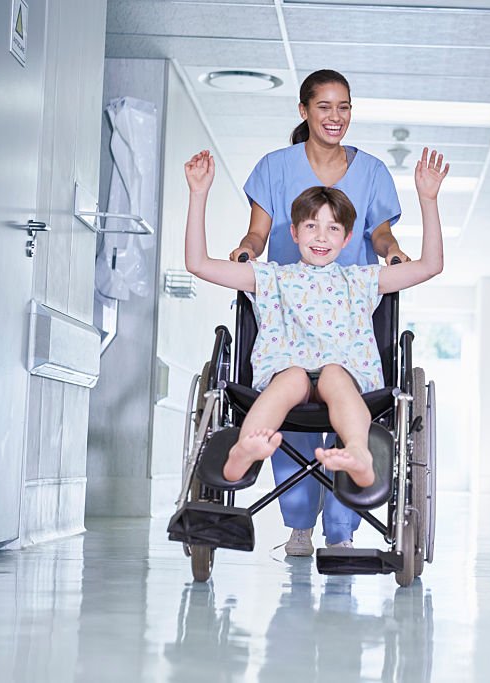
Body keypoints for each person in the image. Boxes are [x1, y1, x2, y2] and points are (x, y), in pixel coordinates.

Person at [184, 147, 448, 509]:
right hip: (286, 372)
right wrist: (198, 194)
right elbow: (198, 264)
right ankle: (243, 451)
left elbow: (430, 266)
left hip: (343, 377)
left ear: (348, 237)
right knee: (291, 378)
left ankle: (359, 454)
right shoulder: (271, 277)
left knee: (334, 376)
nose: (321, 237)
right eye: (311, 226)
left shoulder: (361, 280)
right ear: (293, 232)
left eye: (332, 228)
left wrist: (428, 200)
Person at [229, 69, 410, 556]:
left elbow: (382, 235)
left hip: (349, 310)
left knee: (343, 408)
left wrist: (393, 254)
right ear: (304, 110)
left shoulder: (371, 171)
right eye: (325, 107)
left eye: (344, 107)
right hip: (287, 309)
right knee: (291, 416)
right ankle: (299, 526)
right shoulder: (275, 166)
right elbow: (256, 235)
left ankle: (343, 532)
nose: (336, 117)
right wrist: (245, 252)